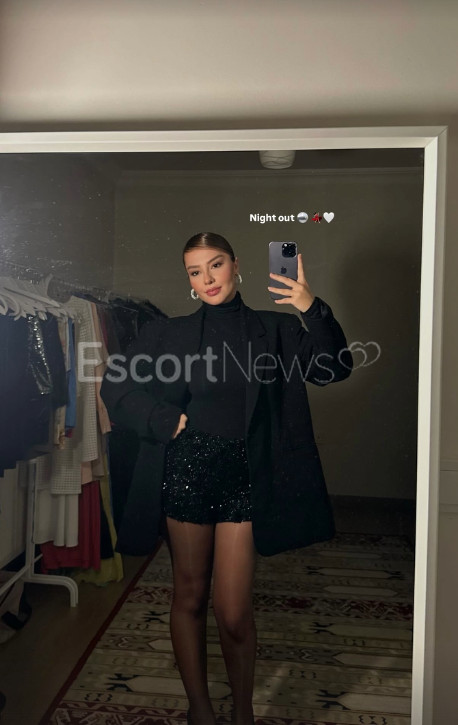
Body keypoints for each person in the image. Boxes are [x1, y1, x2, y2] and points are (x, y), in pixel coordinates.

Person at [100, 232, 353, 725]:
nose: (208, 279)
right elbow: (115, 385)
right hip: (188, 471)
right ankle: (200, 708)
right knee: (190, 595)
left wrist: (311, 306)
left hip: (246, 475)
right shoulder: (167, 333)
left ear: (236, 265)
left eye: (215, 265)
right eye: (196, 272)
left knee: (233, 611)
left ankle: (242, 712)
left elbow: (334, 368)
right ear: (190, 281)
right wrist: (161, 419)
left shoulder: (276, 328)